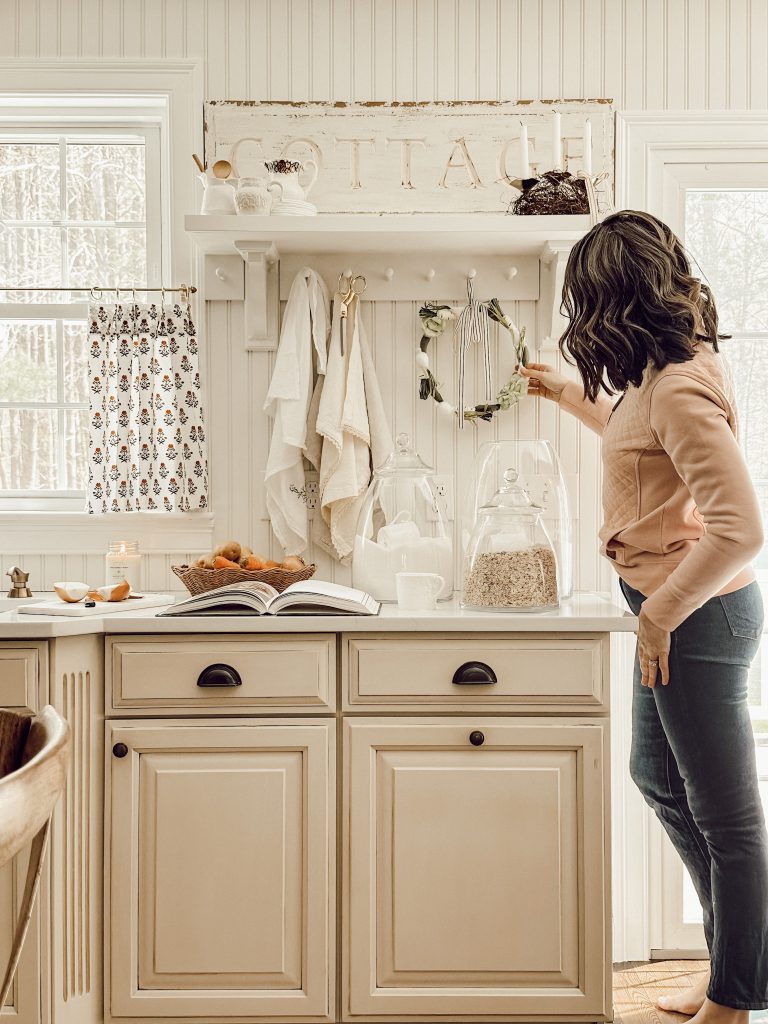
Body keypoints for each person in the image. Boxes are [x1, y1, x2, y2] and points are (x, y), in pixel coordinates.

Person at [521, 209, 767, 1024]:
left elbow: (742, 527)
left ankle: (737, 996)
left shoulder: (682, 383)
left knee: (728, 816)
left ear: (612, 301)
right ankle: (737, 965)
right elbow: (642, 444)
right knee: (658, 777)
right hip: (671, 610)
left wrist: (659, 616)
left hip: (696, 616)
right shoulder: (657, 377)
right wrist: (566, 397)